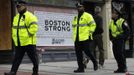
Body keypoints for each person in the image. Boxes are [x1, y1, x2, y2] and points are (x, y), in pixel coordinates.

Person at [4, 1, 39, 75]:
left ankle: (35, 72)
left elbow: (34, 28)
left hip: (29, 43)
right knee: (17, 59)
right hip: (19, 43)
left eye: (19, 6)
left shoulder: (30, 16)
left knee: (34, 59)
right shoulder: (16, 17)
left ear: (24, 6)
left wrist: (27, 35)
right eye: (17, 7)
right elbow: (14, 29)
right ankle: (13, 72)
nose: (18, 8)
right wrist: (14, 38)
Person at [72, 2, 98, 73]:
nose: (78, 8)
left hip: (85, 37)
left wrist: (90, 32)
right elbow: (74, 28)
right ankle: (81, 68)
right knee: (78, 54)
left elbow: (93, 25)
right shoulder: (75, 17)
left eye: (80, 7)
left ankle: (95, 61)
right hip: (77, 38)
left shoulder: (88, 16)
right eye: (77, 7)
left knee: (87, 51)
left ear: (83, 7)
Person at [109, 4, 130, 73]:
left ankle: (124, 68)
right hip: (114, 41)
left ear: (117, 15)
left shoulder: (122, 21)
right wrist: (111, 38)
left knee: (120, 54)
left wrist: (121, 37)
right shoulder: (111, 22)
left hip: (120, 41)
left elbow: (127, 32)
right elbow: (110, 30)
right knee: (116, 55)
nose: (112, 14)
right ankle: (120, 68)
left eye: (113, 13)